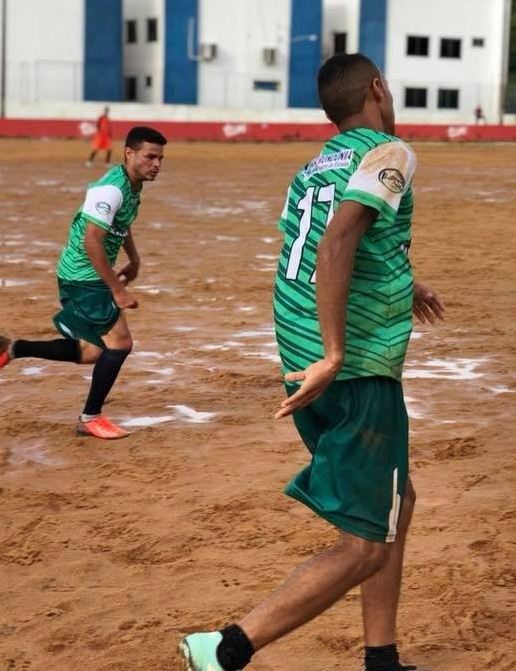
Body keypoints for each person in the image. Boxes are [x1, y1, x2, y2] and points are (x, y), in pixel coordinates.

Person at [180, 53, 444, 671]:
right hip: (353, 370)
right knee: (364, 546)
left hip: (302, 360)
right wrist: (335, 352)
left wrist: (405, 283)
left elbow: (317, 244)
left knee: (394, 504)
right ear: (377, 88)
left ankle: (381, 656)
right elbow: (336, 242)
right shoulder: (389, 151)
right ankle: (225, 648)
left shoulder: (315, 165)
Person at [0, 126, 168, 440]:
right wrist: (117, 290)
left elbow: (121, 222)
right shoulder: (111, 189)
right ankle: (90, 417)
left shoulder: (133, 186)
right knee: (120, 343)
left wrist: (134, 259)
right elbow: (92, 241)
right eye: (150, 157)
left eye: (160, 158)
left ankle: (11, 348)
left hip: (89, 274)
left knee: (92, 352)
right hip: (83, 276)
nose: (156, 164)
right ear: (129, 153)